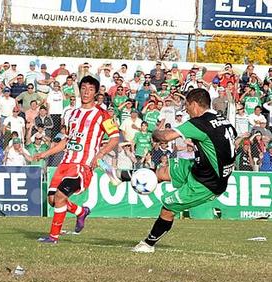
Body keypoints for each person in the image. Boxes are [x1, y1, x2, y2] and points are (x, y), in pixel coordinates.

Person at [100, 88, 237, 253]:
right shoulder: (222, 119)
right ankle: (119, 176)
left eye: (186, 105)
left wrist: (155, 132)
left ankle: (148, 244)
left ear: (194, 104)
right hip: (200, 168)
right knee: (163, 171)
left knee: (168, 209)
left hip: (207, 183)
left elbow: (165, 137)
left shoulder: (200, 123)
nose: (185, 110)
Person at [33, 76, 119, 243]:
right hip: (65, 163)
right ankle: (81, 212)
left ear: (96, 93)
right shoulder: (71, 113)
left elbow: (115, 138)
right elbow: (66, 140)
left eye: (91, 89)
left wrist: (99, 155)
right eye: (84, 88)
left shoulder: (102, 115)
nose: (86, 92)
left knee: (59, 196)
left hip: (82, 166)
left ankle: (53, 237)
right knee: (52, 200)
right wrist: (46, 153)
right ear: (79, 90)